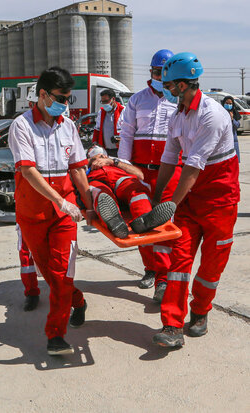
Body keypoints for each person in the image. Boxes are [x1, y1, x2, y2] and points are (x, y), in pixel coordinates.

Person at [151, 53, 240, 348]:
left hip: (219, 200)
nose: (165, 89)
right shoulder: (178, 115)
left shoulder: (212, 115)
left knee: (211, 267)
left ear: (181, 85)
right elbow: (169, 157)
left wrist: (170, 206)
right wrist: (157, 194)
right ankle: (172, 325)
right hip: (191, 199)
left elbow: (193, 165)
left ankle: (200, 312)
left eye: (168, 85)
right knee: (179, 260)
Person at [9, 67, 94, 356]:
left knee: (62, 273)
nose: (65, 105)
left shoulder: (68, 126)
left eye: (69, 99)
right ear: (42, 95)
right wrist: (59, 200)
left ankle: (55, 335)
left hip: (63, 215)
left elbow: (78, 169)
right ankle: (78, 301)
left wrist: (89, 205)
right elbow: (29, 171)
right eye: (61, 98)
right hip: (33, 212)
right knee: (52, 276)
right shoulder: (21, 126)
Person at [119, 49, 179, 301]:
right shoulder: (137, 100)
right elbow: (127, 133)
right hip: (140, 171)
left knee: (163, 226)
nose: (160, 78)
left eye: (165, 74)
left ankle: (163, 279)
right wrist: (122, 164)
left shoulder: (178, 100)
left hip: (169, 172)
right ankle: (150, 269)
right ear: (151, 73)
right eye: (157, 72)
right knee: (141, 224)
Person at [86, 145, 176, 238]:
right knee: (101, 194)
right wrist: (91, 161)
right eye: (91, 149)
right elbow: (76, 174)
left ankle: (144, 220)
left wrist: (113, 162)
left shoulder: (118, 160)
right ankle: (116, 224)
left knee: (136, 189)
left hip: (120, 179)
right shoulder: (84, 165)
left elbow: (140, 175)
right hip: (97, 180)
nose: (95, 148)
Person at [19, 85, 42, 312]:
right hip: (30, 198)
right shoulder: (22, 127)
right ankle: (31, 291)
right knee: (26, 250)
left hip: (56, 199)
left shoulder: (63, 125)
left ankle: (65, 291)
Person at [92, 89, 124, 157]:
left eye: (106, 101)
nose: (104, 104)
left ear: (113, 99)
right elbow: (97, 129)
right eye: (102, 102)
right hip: (105, 151)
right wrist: (94, 143)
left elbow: (129, 130)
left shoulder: (123, 111)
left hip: (120, 150)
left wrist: (119, 138)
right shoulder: (101, 112)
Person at [222, 96, 241, 162]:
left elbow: (238, 125)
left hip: (233, 140)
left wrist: (232, 119)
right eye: (226, 103)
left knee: (234, 161)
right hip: (223, 140)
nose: (228, 105)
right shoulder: (220, 112)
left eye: (230, 104)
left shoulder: (235, 113)